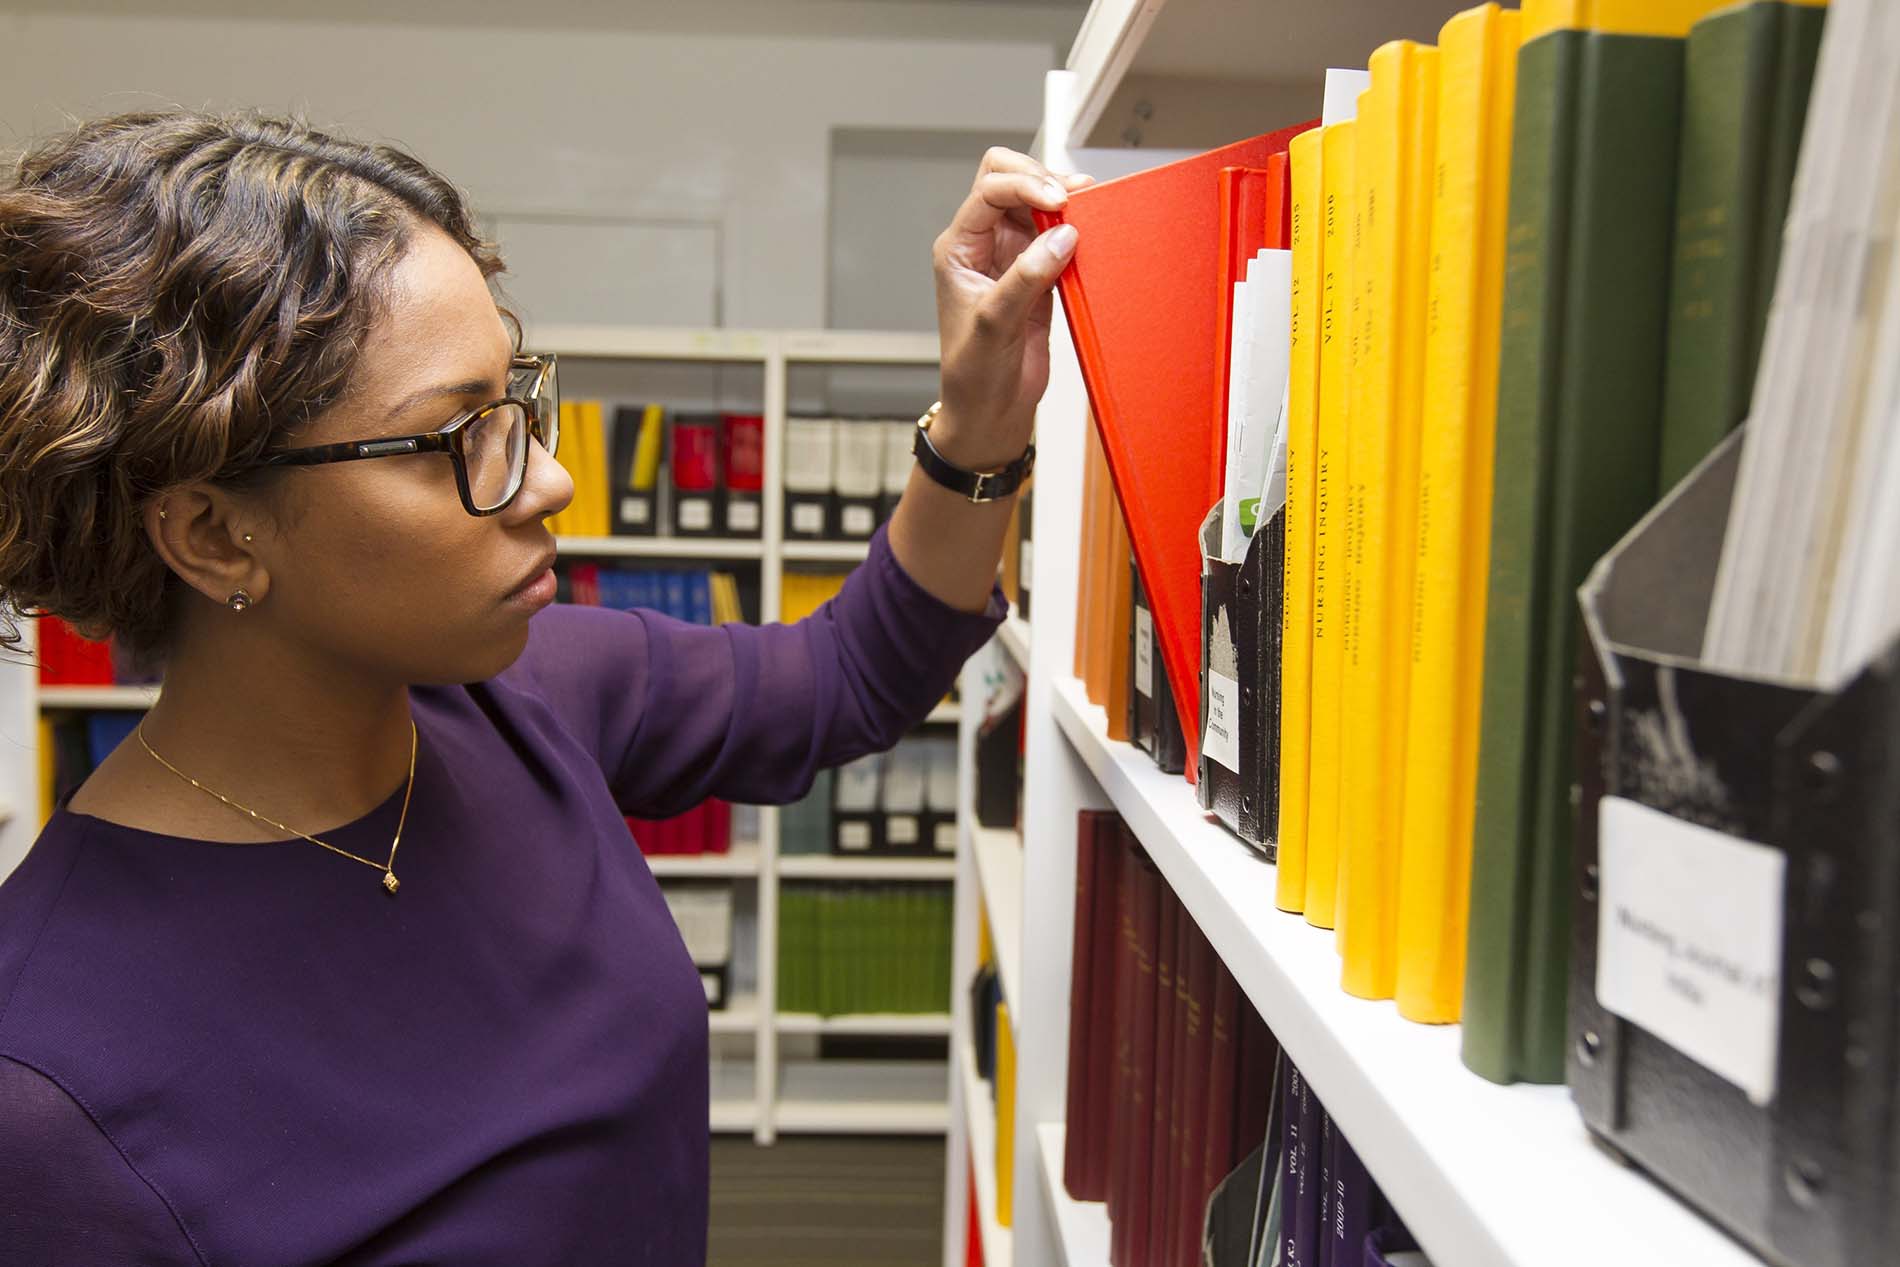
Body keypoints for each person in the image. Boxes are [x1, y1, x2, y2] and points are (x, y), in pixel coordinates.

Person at [0, 111, 1087, 1264]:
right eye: (453, 435)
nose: (554, 478)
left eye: (516, 401)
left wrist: (979, 421)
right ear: (215, 535)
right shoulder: (48, 1081)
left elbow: (850, 673)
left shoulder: (532, 696)